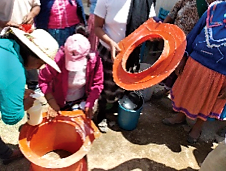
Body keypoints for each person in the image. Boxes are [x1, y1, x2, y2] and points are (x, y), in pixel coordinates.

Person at [162, 1, 226, 144]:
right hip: (195, 62)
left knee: (207, 101)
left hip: (220, 73)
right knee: (186, 91)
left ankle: (197, 127)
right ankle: (179, 116)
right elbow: (195, 32)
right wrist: (184, 57)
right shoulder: (215, 8)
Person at [0, 27, 61, 164]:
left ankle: (4, 153)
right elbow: (11, 118)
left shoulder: (5, 45)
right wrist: (24, 106)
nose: (39, 68)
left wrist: (16, 93)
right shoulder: (16, 73)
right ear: (31, 54)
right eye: (40, 63)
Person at [94, 0, 156, 132]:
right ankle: (102, 115)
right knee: (105, 88)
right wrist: (111, 43)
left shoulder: (145, 2)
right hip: (109, 52)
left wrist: (153, 34)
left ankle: (116, 109)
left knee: (124, 85)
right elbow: (97, 27)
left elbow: (148, 27)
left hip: (131, 54)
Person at [153, 0, 217, 99]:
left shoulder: (215, 8)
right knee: (166, 65)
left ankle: (174, 97)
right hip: (173, 38)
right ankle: (163, 89)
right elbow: (173, 12)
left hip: (189, 44)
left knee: (180, 71)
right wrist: (161, 29)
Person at [38, 33, 103, 119]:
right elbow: (43, 80)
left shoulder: (94, 61)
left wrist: (89, 103)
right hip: (60, 101)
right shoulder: (57, 60)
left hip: (82, 101)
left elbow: (98, 84)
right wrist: (52, 102)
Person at [0, 0, 41, 91]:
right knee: (10, 68)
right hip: (5, 35)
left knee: (31, 65)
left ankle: (33, 87)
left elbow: (37, 6)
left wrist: (32, 14)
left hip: (26, 33)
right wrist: (3, 23)